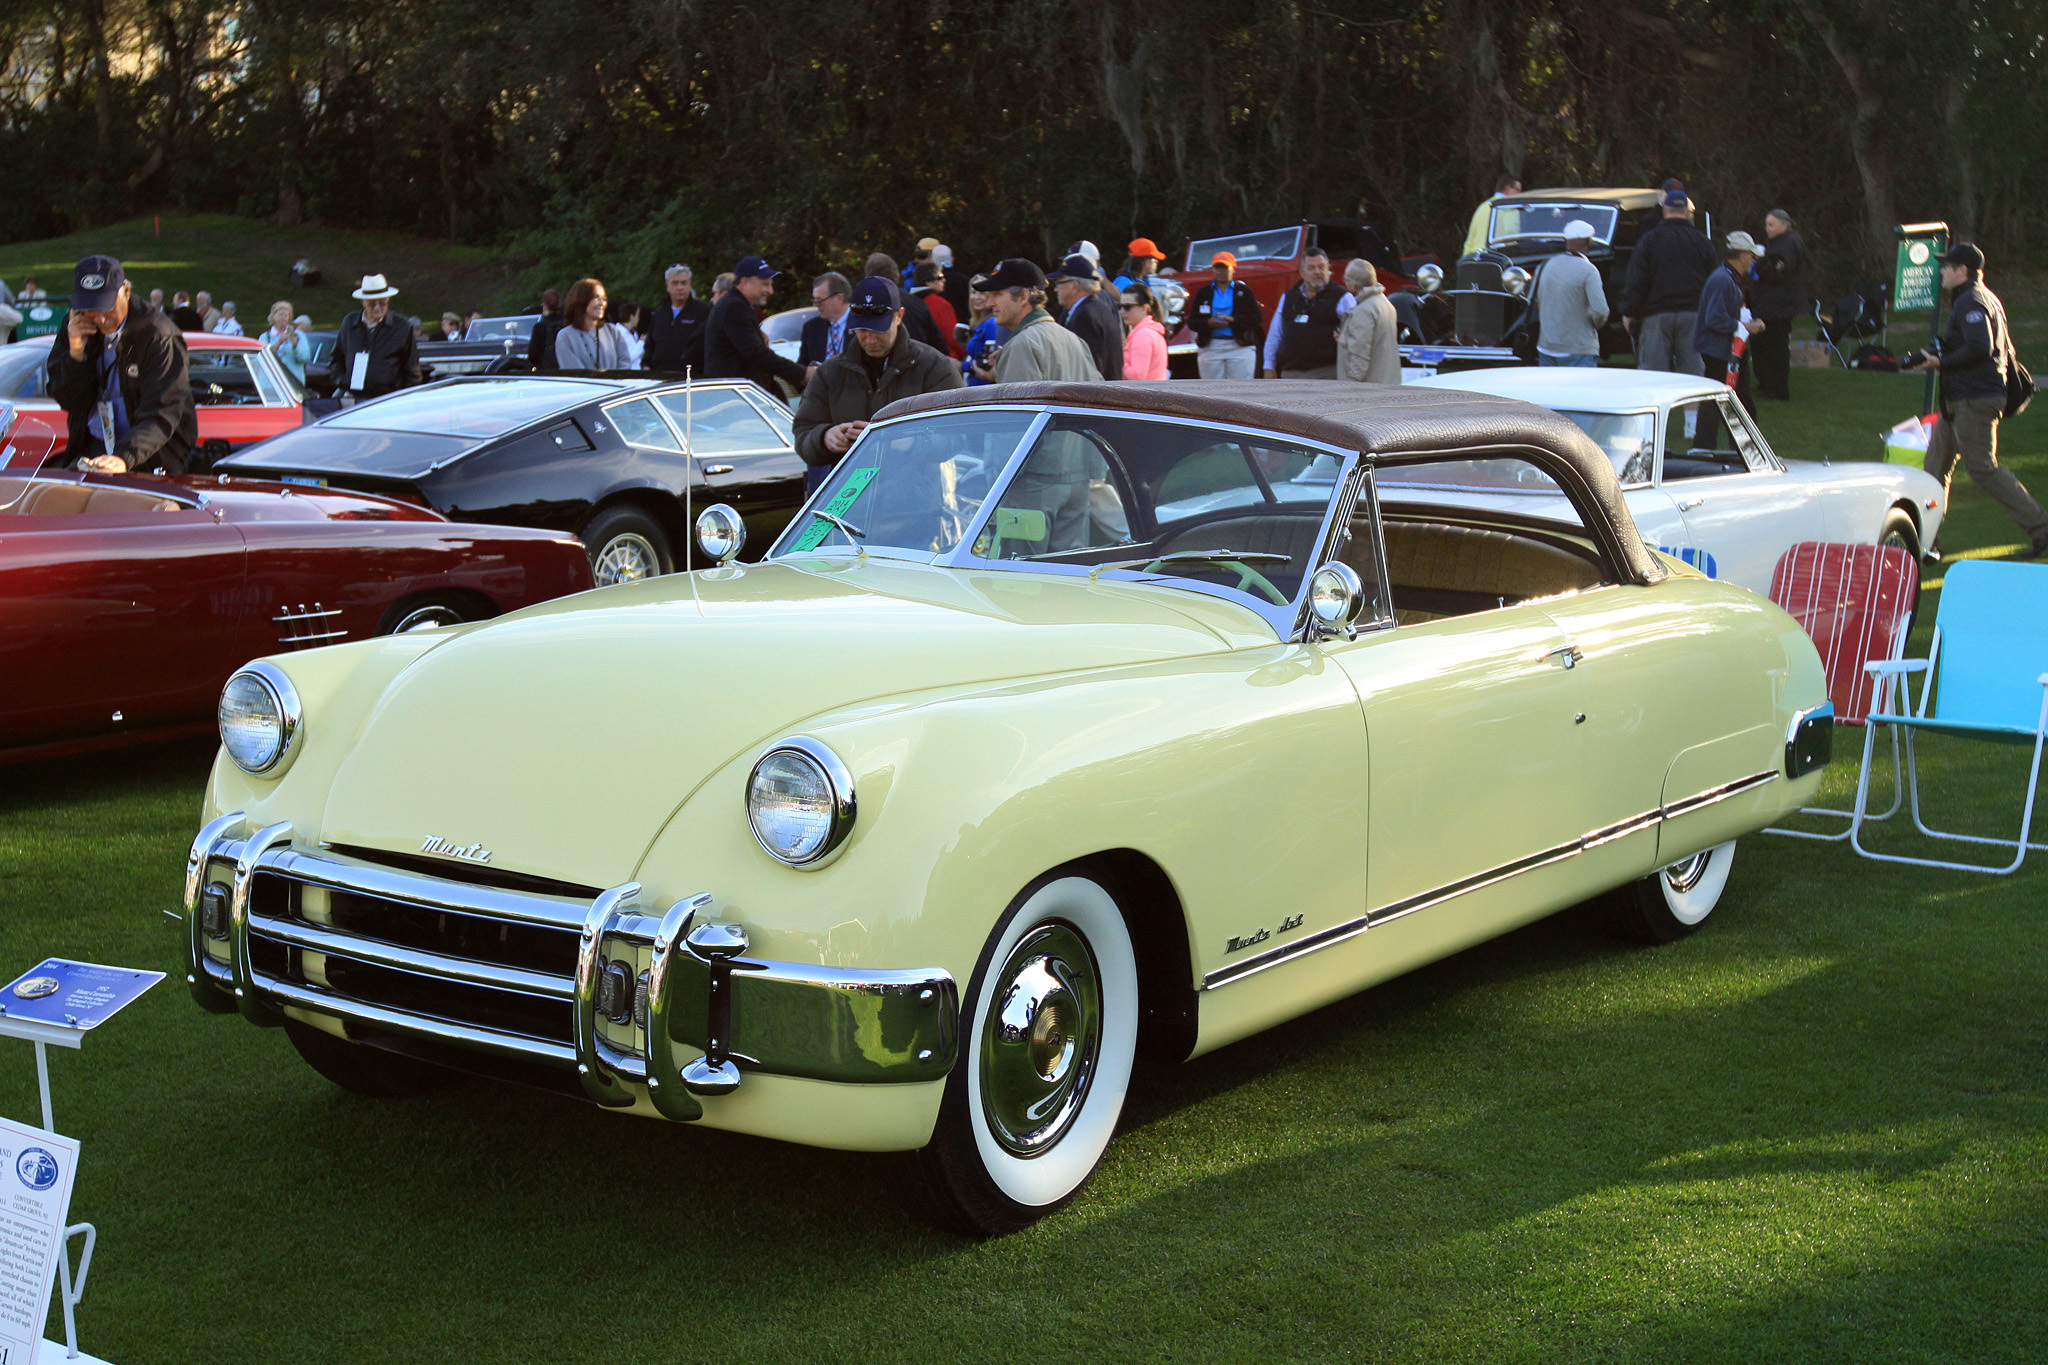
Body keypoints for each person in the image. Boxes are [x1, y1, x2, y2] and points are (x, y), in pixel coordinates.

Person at [1905, 244, 2048, 556]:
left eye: (1947, 266)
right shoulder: (1982, 296)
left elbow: (1979, 347)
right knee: (1934, 466)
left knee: (1982, 468)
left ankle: (2042, 530)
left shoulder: (1970, 300)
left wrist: (1939, 362)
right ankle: (1926, 542)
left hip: (1975, 398)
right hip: (1962, 399)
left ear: (1963, 270)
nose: (1942, 271)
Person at [792, 275, 965, 490]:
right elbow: (803, 433)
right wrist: (825, 438)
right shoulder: (830, 372)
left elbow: (959, 435)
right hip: (848, 501)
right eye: (863, 330)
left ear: (899, 316)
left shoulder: (933, 367)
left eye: (878, 330)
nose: (870, 340)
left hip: (915, 505)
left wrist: (905, 441)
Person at [43, 254, 196, 474]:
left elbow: (163, 412)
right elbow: (66, 398)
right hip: (95, 446)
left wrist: (123, 458)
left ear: (126, 290)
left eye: (106, 309)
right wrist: (76, 355)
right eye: (90, 311)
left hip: (151, 456)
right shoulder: (75, 325)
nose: (100, 320)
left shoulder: (158, 335)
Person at [1622, 187, 1717, 374]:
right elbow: (1712, 280)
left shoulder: (1649, 240)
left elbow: (1637, 280)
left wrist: (1629, 311)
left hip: (1656, 314)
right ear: (1688, 213)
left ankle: (1655, 404)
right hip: (1693, 314)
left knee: (1654, 373)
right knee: (1692, 373)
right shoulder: (1702, 242)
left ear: (1664, 210)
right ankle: (1692, 405)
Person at [977, 259, 1097, 383]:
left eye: (997, 294)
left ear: (1023, 297)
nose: (989, 303)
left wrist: (1015, 354)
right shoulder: (1075, 340)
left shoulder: (1022, 345)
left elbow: (1017, 402)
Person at [704, 255, 808, 396]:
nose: (770, 291)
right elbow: (757, 354)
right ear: (745, 282)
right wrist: (803, 374)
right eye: (765, 284)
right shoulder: (734, 307)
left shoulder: (737, 305)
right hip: (736, 399)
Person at [1695, 231, 1765, 414]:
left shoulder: (1729, 278)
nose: (1753, 261)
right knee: (1718, 405)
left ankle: (1739, 442)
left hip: (1729, 350)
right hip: (1719, 352)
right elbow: (1715, 318)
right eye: (1752, 256)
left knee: (1738, 404)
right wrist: (1746, 326)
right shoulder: (1722, 280)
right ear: (1742, 257)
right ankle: (1708, 443)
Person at [1263, 248, 1352, 379]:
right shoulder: (1289, 297)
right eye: (1311, 268)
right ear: (1302, 272)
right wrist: (1269, 366)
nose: (1317, 272)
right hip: (1290, 374)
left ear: (1328, 269)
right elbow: (1275, 334)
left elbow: (1357, 334)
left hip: (1328, 373)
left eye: (1322, 267)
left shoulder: (1342, 297)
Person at [332, 273, 420, 403]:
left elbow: (412, 370)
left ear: (388, 300)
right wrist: (343, 380)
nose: (378, 307)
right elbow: (336, 359)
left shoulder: (402, 326)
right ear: (363, 302)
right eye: (372, 304)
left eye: (382, 303)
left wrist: (403, 400)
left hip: (388, 400)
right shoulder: (350, 323)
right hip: (354, 398)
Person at [1534, 219, 1608, 367]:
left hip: (1546, 347)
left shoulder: (1546, 266)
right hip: (1578, 349)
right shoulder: (1589, 270)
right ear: (1589, 242)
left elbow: (1537, 301)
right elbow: (1600, 311)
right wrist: (1592, 325)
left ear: (1565, 241)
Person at [1750, 210, 1805, 400]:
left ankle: (1777, 390)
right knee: (1762, 347)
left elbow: (1778, 270)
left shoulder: (1788, 243)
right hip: (1768, 304)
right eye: (1766, 225)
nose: (1767, 229)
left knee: (1775, 349)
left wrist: (1758, 265)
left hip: (1778, 306)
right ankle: (1766, 384)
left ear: (1784, 224)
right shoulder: (1779, 242)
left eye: (1771, 225)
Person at [1186, 252, 1262, 379]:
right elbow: (1192, 322)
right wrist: (1209, 323)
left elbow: (1256, 320)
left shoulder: (1245, 291)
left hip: (1240, 347)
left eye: (1225, 267)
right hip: (1211, 346)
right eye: (1217, 267)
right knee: (1211, 392)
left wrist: (1232, 320)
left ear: (1233, 269)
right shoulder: (1203, 292)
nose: (1221, 271)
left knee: (1241, 391)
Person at [1049, 253, 1123, 381]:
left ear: (1074, 285)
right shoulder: (1099, 308)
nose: (1056, 289)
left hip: (1094, 395)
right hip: (1107, 392)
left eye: (1059, 282)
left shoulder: (1085, 316)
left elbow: (1088, 368)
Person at [1337, 257, 1401, 385]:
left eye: (1346, 280)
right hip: (1388, 382)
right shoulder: (1385, 303)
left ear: (1354, 284)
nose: (1345, 283)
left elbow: (1359, 353)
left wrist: (1350, 386)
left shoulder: (1363, 311)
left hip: (1369, 388)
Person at [865, 252, 945, 352]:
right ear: (896, 276)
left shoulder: (861, 306)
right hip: (918, 359)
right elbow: (937, 342)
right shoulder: (916, 303)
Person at [554, 278, 634, 370]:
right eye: (596, 298)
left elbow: (625, 363)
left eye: (604, 299)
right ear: (581, 300)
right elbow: (575, 375)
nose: (602, 303)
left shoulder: (613, 332)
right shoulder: (566, 337)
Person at [645, 265, 711, 373]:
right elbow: (650, 346)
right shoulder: (660, 313)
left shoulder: (703, 312)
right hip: (660, 378)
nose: (680, 287)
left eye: (684, 283)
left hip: (691, 379)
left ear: (689, 285)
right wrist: (646, 366)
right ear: (667, 286)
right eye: (675, 283)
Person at [961, 273, 1011, 387]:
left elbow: (989, 363)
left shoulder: (991, 324)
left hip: (984, 389)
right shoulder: (979, 322)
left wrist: (961, 366)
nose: (976, 297)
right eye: (973, 292)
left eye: (982, 293)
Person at [800, 272, 852, 377]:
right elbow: (803, 367)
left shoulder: (863, 324)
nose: (816, 305)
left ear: (839, 298)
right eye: (814, 300)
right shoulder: (811, 328)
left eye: (820, 300)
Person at [1462, 173, 1524, 256]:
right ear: (1510, 188)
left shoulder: (1482, 207)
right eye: (1519, 190)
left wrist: (1466, 260)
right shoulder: (1509, 207)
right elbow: (1511, 232)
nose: (1519, 195)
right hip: (1496, 257)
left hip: (1475, 257)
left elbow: (1469, 241)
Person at [912, 261, 964, 359]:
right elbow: (953, 337)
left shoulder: (910, 303)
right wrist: (964, 353)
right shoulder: (940, 304)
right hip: (944, 359)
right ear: (928, 281)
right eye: (940, 277)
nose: (944, 280)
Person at [1120, 283, 1168, 381]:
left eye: (1127, 306)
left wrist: (1119, 361)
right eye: (1120, 306)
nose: (1122, 311)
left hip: (1145, 394)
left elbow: (1136, 377)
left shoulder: (1143, 335)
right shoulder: (1151, 331)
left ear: (1144, 308)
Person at [262, 301, 311, 382]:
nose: (283, 318)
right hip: (271, 383)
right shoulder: (265, 337)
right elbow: (262, 360)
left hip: (293, 384)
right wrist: (278, 344)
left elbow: (305, 358)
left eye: (286, 315)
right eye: (280, 315)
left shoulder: (299, 335)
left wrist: (295, 345)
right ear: (273, 317)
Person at [526, 288, 566, 371]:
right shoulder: (568, 323)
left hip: (547, 372)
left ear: (545, 306)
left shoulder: (540, 327)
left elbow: (533, 356)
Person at [608, 300, 645, 367]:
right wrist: (641, 342)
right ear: (631, 317)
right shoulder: (619, 333)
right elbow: (628, 358)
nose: (639, 319)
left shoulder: (634, 333)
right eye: (637, 316)